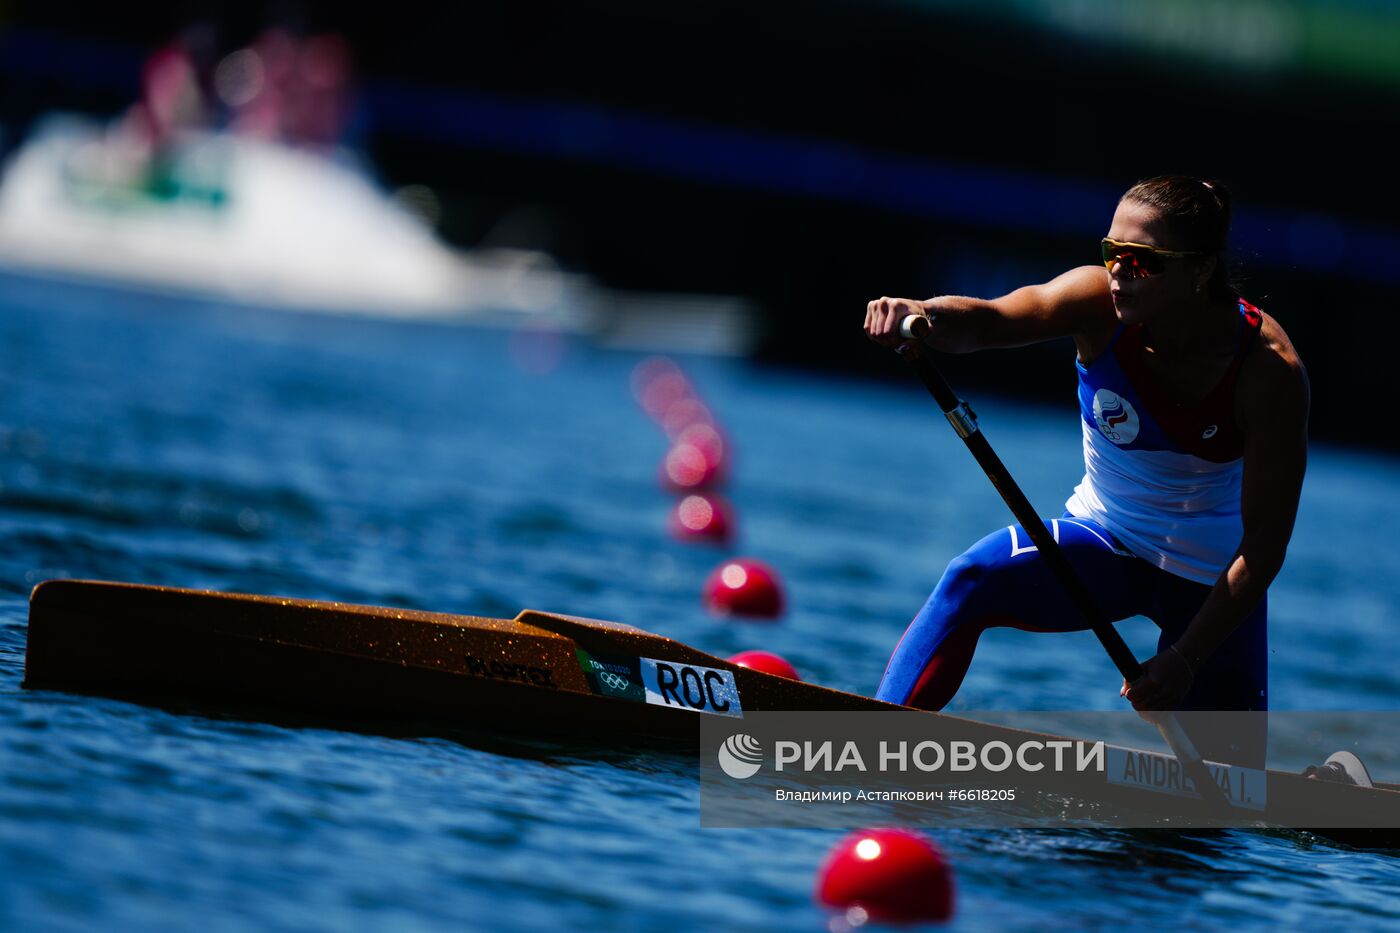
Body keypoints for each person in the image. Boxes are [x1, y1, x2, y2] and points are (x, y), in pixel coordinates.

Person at [863, 175, 1309, 767]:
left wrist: (1183, 661)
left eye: (1142, 261)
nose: (1118, 272)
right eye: (1111, 253)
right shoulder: (1097, 306)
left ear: (1199, 270)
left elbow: (1265, 549)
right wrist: (922, 312)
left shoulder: (1269, 370)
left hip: (1211, 584)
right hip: (1105, 541)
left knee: (1225, 803)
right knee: (973, 576)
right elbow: (990, 321)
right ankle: (869, 746)